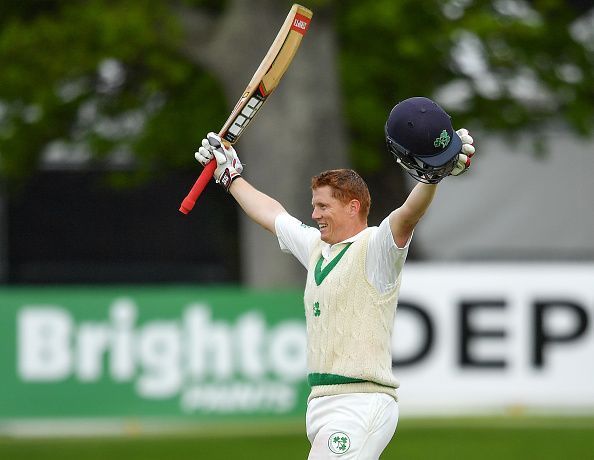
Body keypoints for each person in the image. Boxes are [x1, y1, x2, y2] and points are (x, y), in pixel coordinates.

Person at [195, 96, 475, 459]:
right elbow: (273, 215)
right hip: (324, 404)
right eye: (314, 205)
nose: (314, 214)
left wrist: (434, 177)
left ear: (352, 207)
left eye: (323, 206)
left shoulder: (376, 249)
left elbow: (407, 215)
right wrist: (229, 175)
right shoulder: (316, 248)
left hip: (360, 402)